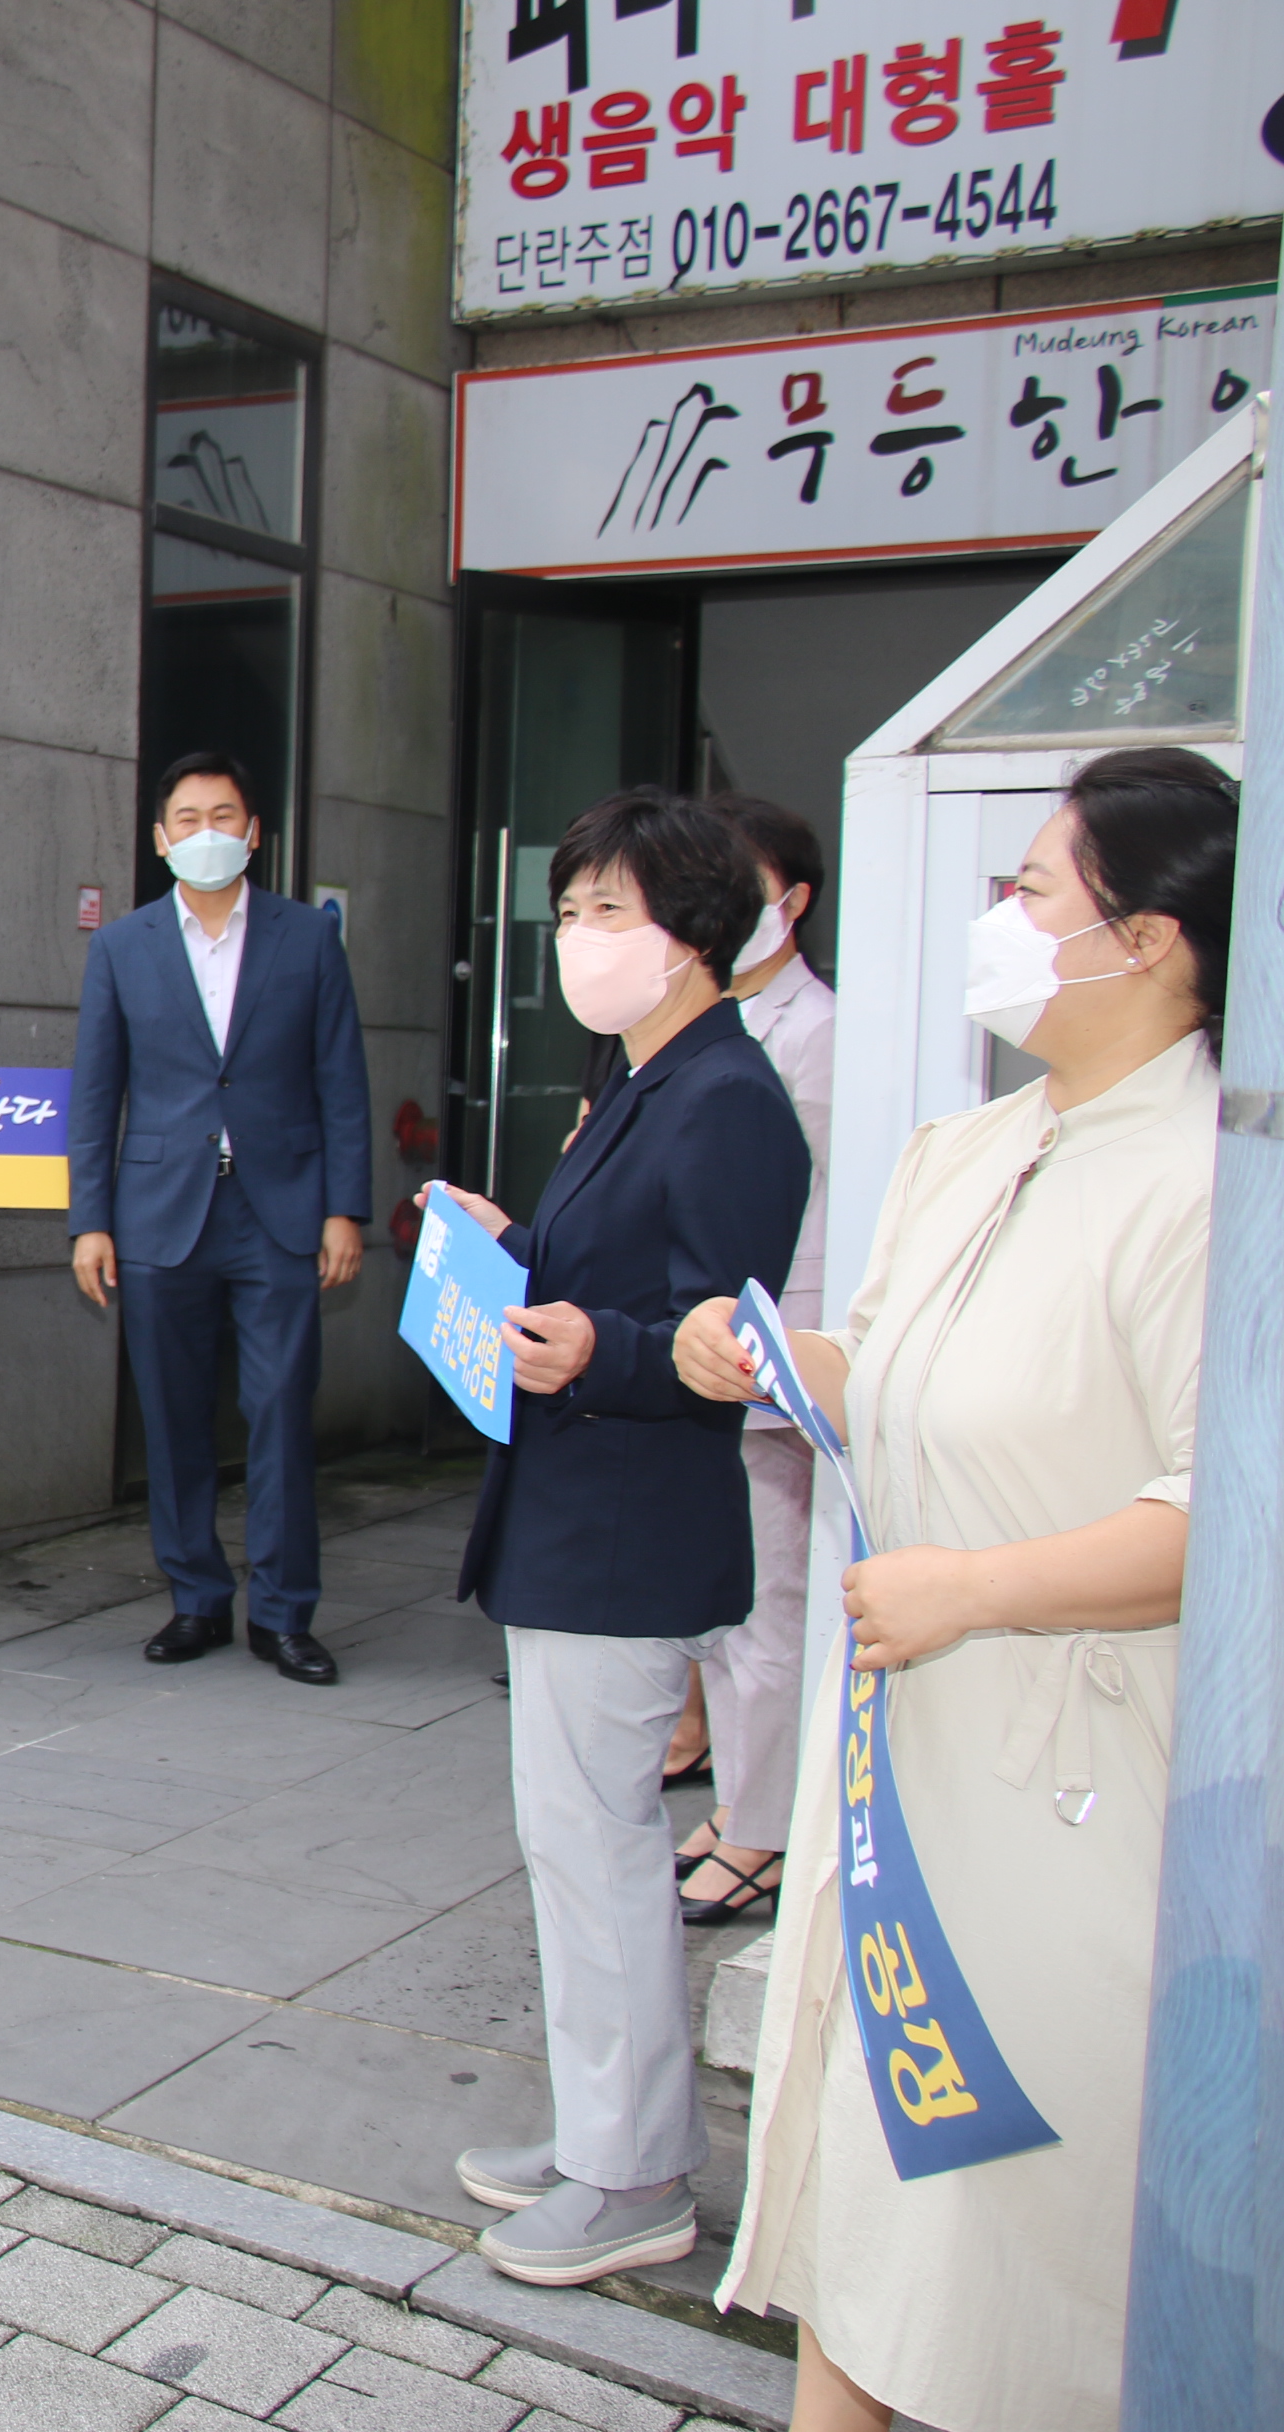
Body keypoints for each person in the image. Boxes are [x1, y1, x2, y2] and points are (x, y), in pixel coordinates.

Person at [693, 749, 1230, 2432]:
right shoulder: (967, 1145)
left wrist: (981, 1590)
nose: (997, 917)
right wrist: (768, 1356)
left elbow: (1223, 1512)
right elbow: (885, 1371)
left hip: (1064, 1791)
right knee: (864, 2197)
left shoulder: (1213, 1182)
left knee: (1010, 2240)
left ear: (1143, 939)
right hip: (900, 1757)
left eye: (1031, 888)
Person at [433, 787, 808, 2287]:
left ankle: (637, 2172)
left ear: (693, 929)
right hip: (576, 1510)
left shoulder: (724, 1097)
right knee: (574, 1843)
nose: (578, 936)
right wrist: (511, 1249)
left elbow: (722, 1336)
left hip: (626, 1525)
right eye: (572, 908)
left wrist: (601, 1348)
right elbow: (614, 1273)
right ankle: (608, 2129)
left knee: (597, 1848)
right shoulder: (645, 1075)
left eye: (609, 910)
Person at [67, 750, 372, 1685]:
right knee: (172, 1416)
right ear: (162, 840)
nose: (208, 833)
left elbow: (342, 1081)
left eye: (224, 816)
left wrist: (345, 1208)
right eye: (189, 819)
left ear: (254, 831)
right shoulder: (122, 946)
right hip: (160, 1214)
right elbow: (97, 1093)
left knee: (279, 1412)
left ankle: (283, 1614)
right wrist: (90, 1219)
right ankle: (196, 1597)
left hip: (279, 1211)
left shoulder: (307, 937)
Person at [665, 793, 835, 1927]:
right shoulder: (709, 1022)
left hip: (770, 1355)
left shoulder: (820, 1030)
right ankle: (742, 1803)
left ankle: (764, 1832)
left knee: (768, 1607)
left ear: (794, 901)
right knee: (725, 1610)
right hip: (709, 1350)